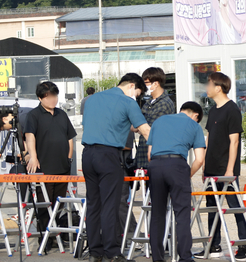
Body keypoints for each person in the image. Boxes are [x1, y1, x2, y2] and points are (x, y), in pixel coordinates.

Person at [82, 73, 151, 262]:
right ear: (131, 86)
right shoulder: (128, 102)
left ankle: (95, 252)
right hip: (109, 156)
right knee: (110, 205)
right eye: (137, 94)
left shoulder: (92, 99)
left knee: (94, 205)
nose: (136, 98)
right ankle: (112, 252)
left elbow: (104, 123)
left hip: (88, 155)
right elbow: (145, 130)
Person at [194, 72, 246, 261]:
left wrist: (230, 169)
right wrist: (204, 167)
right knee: (212, 208)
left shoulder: (232, 109)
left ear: (218, 87)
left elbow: (234, 141)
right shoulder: (213, 110)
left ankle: (244, 247)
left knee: (235, 207)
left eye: (209, 84)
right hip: (211, 168)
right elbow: (209, 138)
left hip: (226, 169)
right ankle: (213, 245)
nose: (207, 88)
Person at [147, 102, 206, 262]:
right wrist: (186, 174)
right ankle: (185, 257)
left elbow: (150, 153)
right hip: (177, 165)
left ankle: (157, 258)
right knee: (182, 214)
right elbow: (199, 159)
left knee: (157, 214)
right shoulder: (194, 126)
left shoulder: (159, 121)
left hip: (155, 165)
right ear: (196, 116)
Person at [25, 81, 77, 249]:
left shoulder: (62, 114)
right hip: (44, 168)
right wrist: (33, 157)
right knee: (44, 204)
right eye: (49, 97)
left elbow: (70, 137)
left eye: (55, 96)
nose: (53, 100)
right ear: (41, 98)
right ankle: (45, 239)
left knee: (58, 203)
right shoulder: (34, 115)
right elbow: (30, 136)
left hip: (63, 167)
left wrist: (69, 157)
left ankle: (54, 234)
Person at [135, 67, 176, 170]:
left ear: (156, 84)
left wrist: (139, 126)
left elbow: (152, 128)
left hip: (156, 156)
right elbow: (139, 125)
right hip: (142, 154)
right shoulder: (148, 102)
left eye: (147, 83)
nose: (144, 86)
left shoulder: (165, 103)